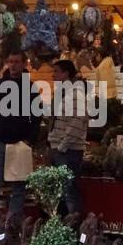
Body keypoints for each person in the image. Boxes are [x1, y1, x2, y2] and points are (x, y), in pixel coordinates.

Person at [0, 49, 39, 230]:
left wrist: (30, 139)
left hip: (21, 143)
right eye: (11, 62)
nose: (13, 65)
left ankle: (13, 222)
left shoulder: (30, 88)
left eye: (17, 62)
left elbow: (36, 115)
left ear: (23, 64)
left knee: (19, 185)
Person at [47, 59, 88, 216]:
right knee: (61, 193)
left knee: (69, 191)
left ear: (66, 73)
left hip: (68, 151)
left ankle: (73, 227)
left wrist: (63, 145)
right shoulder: (63, 94)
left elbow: (77, 122)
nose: (53, 75)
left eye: (56, 71)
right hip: (59, 148)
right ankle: (62, 226)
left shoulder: (76, 95)